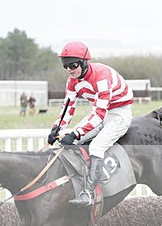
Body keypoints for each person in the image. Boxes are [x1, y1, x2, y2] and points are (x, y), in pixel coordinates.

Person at [47, 41, 134, 206]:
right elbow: (67, 108)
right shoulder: (72, 81)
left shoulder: (101, 76)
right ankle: (74, 184)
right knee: (70, 141)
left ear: (84, 62)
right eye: (65, 66)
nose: (69, 70)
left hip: (118, 113)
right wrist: (57, 129)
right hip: (100, 112)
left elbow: (100, 114)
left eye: (72, 65)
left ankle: (89, 193)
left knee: (96, 147)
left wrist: (75, 132)